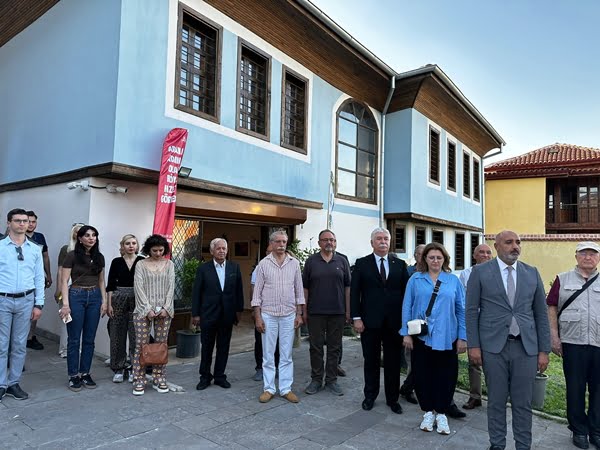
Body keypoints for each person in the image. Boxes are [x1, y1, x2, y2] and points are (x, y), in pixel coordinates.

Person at [466, 230, 550, 450]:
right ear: (497, 246)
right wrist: (473, 345)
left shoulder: (531, 273)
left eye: (518, 242)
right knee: (496, 401)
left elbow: (541, 313)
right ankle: (497, 444)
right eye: (509, 242)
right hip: (493, 348)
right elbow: (471, 310)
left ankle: (523, 445)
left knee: (523, 403)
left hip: (526, 348)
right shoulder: (481, 272)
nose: (515, 246)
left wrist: (544, 350)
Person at [401, 242, 466, 435]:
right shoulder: (415, 279)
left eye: (439, 257)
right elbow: (406, 306)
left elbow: (461, 310)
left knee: (446, 376)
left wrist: (463, 337)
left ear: (444, 259)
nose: (435, 261)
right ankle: (428, 411)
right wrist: (405, 333)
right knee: (422, 375)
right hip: (422, 337)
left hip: (448, 337)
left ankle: (442, 412)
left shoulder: (453, 281)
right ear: (424, 259)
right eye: (431, 257)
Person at [547, 241, 600, 449]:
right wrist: (554, 336)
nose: (588, 257)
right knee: (575, 389)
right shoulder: (562, 279)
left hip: (598, 343)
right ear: (576, 256)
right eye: (583, 253)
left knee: (598, 389)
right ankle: (578, 430)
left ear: (598, 257)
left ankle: (596, 430)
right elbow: (551, 306)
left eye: (593, 253)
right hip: (573, 343)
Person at [350, 227, 409, 414]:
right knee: (371, 361)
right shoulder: (361, 264)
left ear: (389, 242)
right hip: (369, 322)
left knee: (393, 362)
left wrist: (406, 322)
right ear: (372, 243)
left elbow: (407, 295)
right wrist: (356, 318)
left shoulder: (400, 265)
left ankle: (393, 399)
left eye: (386, 238)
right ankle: (370, 396)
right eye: (379, 239)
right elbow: (354, 293)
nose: (383, 241)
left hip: (394, 324)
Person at [252, 230, 304, 403]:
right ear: (272, 243)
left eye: (284, 242)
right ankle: (268, 389)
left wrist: (299, 313)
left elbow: (298, 290)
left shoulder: (294, 263)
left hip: (289, 314)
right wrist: (258, 317)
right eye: (278, 242)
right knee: (267, 354)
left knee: (286, 354)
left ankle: (285, 388)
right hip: (268, 315)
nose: (282, 245)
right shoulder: (263, 265)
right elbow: (256, 294)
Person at [0, 208, 45, 400]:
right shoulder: (0, 247)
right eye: (17, 221)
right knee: (2, 344)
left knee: (19, 344)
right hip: (3, 299)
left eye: (25, 221)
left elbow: (38, 278)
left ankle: (14, 383)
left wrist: (39, 304)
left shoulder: (35, 249)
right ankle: (1, 384)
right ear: (8, 223)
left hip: (26, 300)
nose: (22, 224)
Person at [303, 229, 351, 396]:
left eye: (332, 240)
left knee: (334, 347)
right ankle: (316, 380)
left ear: (335, 242)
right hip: (315, 312)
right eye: (325, 240)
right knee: (315, 347)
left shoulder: (342, 261)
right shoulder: (311, 262)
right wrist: (304, 311)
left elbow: (347, 287)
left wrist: (348, 310)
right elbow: (305, 288)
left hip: (337, 312)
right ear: (319, 243)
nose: (329, 242)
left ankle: (331, 380)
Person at [59, 225, 107, 391]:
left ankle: (85, 373)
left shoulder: (99, 257)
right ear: (79, 238)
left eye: (94, 235)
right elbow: (64, 281)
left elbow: (101, 281)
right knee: (74, 339)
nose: (91, 238)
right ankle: (73, 375)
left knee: (89, 339)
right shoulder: (71, 256)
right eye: (87, 235)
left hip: (94, 297)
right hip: (76, 296)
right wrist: (65, 304)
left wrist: (104, 301)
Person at [192, 238, 244, 390]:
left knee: (224, 347)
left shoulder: (234, 267)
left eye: (224, 248)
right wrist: (196, 314)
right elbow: (197, 293)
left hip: (227, 315)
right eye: (219, 248)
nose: (222, 251)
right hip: (208, 314)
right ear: (212, 251)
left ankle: (220, 376)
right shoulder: (203, 269)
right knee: (207, 347)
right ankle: (205, 377)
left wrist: (239, 310)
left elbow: (238, 291)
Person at [131, 234, 175, 396]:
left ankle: (159, 377)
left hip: (165, 311)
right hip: (143, 311)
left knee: (161, 345)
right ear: (148, 249)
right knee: (141, 345)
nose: (158, 253)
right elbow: (138, 287)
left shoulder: (169, 264)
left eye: (161, 250)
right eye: (155, 250)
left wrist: (166, 307)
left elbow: (171, 287)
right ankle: (139, 379)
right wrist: (147, 308)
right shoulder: (141, 264)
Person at [459, 243, 493, 411]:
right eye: (481, 252)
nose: (485, 255)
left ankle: (496, 398)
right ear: (474, 255)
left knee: (495, 361)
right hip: (474, 321)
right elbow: (462, 300)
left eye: (488, 252)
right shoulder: (466, 274)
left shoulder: (498, 273)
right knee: (474, 360)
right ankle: (475, 396)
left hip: (493, 324)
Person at [106, 234, 144, 383]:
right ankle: (119, 368)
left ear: (137, 245)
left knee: (136, 335)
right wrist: (109, 304)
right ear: (123, 246)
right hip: (118, 298)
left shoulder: (142, 261)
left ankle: (135, 368)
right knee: (117, 334)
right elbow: (110, 285)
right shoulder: (116, 262)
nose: (131, 246)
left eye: (134, 243)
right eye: (128, 243)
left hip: (137, 298)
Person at [399, 244, 425, 406]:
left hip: (431, 325)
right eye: (420, 254)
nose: (423, 257)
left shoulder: (436, 273)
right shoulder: (408, 273)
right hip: (413, 323)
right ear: (415, 255)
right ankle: (410, 389)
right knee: (412, 359)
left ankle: (409, 387)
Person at [54, 223, 85, 358]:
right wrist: (59, 288)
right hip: (68, 286)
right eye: (76, 231)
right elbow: (60, 270)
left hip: (84, 288)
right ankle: (65, 349)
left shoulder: (90, 251)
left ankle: (77, 348)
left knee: (81, 320)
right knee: (66, 318)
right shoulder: (66, 249)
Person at [250, 243, 279, 382]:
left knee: (278, 342)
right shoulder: (259, 267)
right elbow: (253, 289)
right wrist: (256, 312)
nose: (269, 254)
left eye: (271, 251)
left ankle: (277, 367)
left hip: (280, 313)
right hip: (263, 312)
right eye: (267, 251)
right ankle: (260, 368)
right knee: (261, 341)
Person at [25, 210, 51, 351]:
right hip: (24, 280)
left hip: (38, 278)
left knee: (36, 307)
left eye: (33, 221)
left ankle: (30, 336)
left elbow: (45, 256)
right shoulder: (18, 237)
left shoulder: (39, 237)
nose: (31, 224)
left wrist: (48, 274)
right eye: (28, 221)